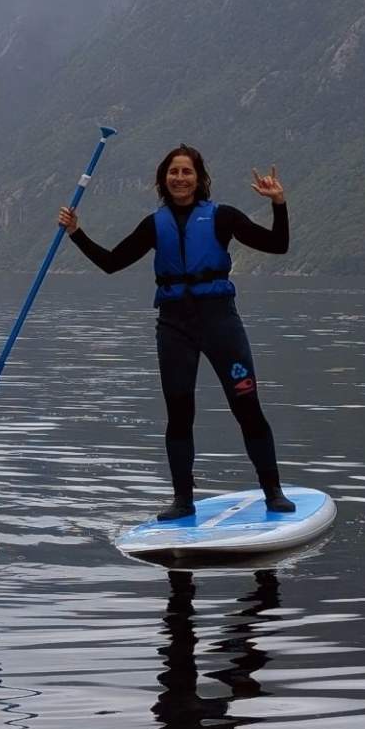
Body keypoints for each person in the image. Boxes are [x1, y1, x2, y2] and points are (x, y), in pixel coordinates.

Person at [58, 145, 294, 519]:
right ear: (163, 179)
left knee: (246, 407)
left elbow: (277, 245)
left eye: (187, 172)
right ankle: (183, 500)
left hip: (219, 322)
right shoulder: (155, 224)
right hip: (174, 325)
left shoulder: (222, 217)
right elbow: (111, 263)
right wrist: (76, 232)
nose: (180, 178)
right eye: (173, 172)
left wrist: (278, 203)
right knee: (179, 413)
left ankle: (273, 492)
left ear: (199, 178)